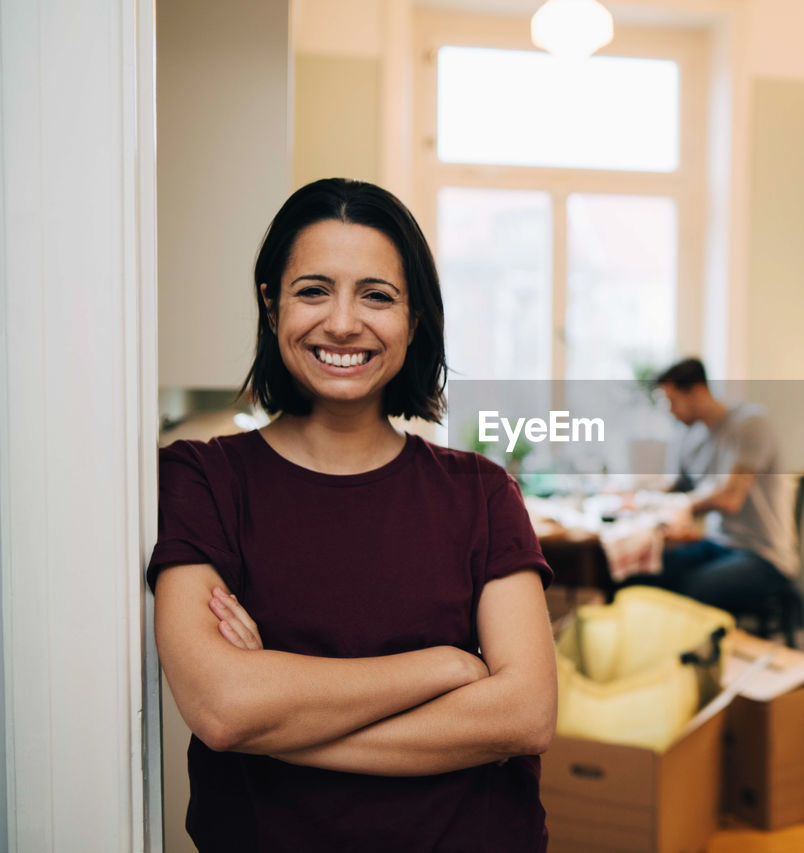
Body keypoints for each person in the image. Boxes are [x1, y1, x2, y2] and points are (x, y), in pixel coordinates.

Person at [148, 178, 557, 852]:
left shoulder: (482, 492)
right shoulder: (202, 477)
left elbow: (524, 714)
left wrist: (279, 718)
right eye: (313, 289)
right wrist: (446, 668)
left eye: (378, 295)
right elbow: (222, 708)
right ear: (270, 301)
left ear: (414, 320)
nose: (342, 322)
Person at [630, 357, 798, 613]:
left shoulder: (750, 424)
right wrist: (635, 496)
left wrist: (676, 506)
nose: (670, 411)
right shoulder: (690, 435)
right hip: (718, 543)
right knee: (643, 570)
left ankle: (692, 651)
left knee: (694, 589)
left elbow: (730, 498)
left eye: (672, 401)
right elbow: (676, 486)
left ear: (697, 391)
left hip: (762, 554)